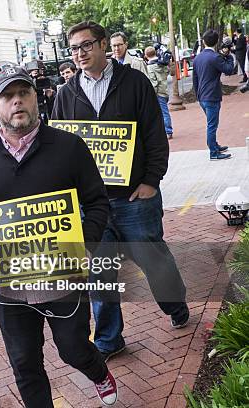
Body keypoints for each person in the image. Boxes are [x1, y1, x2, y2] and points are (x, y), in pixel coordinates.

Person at [0, 66, 116, 407]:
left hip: (62, 277)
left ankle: (98, 371)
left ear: (36, 98)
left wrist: (83, 245)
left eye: (24, 93)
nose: (17, 101)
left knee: (75, 350)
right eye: (7, 96)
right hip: (9, 285)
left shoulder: (69, 147)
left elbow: (97, 202)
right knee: (25, 365)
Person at [52, 20, 189, 362]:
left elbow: (155, 135)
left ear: (102, 46)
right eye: (74, 49)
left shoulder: (134, 82)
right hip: (90, 205)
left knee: (154, 260)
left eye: (86, 46)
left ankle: (174, 303)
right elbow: (57, 149)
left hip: (134, 199)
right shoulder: (65, 95)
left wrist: (151, 181)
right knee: (100, 271)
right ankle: (109, 341)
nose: (79, 54)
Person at [193, 29, 235, 160]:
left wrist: (197, 95)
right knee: (212, 125)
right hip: (212, 96)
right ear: (217, 42)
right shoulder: (215, 57)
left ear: (204, 41)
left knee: (211, 123)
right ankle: (213, 152)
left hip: (202, 96)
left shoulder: (198, 58)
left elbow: (195, 79)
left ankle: (214, 145)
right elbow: (229, 70)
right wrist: (228, 56)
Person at [145, 46, 174, 139]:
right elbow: (168, 73)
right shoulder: (162, 64)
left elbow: (153, 83)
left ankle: (168, 131)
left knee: (162, 113)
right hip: (165, 90)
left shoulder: (150, 67)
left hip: (157, 93)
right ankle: (167, 130)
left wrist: (151, 95)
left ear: (146, 56)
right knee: (164, 112)